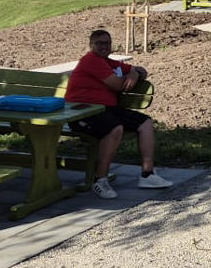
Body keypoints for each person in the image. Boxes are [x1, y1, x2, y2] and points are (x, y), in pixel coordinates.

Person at [64, 28, 171, 198]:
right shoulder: (91, 60)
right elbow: (117, 85)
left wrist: (135, 73)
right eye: (99, 43)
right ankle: (100, 180)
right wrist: (131, 76)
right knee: (115, 129)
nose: (104, 46)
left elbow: (141, 70)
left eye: (107, 43)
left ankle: (148, 174)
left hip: (106, 109)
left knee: (145, 123)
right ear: (91, 45)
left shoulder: (110, 63)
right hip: (82, 112)